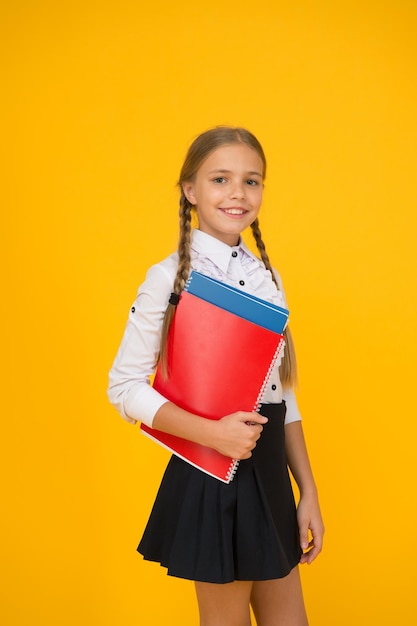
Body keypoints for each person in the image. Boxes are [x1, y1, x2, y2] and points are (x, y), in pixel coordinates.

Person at [108, 126, 324, 626]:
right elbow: (123, 387)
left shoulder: (268, 277)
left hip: (267, 466)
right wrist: (213, 435)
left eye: (252, 181)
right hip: (211, 467)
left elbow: (282, 395)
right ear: (191, 190)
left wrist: (307, 490)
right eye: (220, 179)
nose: (237, 193)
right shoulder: (169, 279)